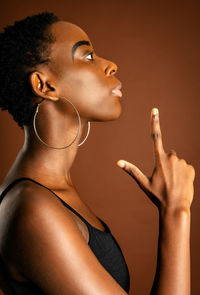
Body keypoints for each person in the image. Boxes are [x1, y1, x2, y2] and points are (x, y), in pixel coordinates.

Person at [0, 12, 195, 295]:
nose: (111, 65)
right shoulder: (34, 209)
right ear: (44, 85)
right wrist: (176, 212)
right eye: (88, 57)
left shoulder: (47, 194)